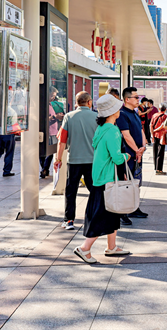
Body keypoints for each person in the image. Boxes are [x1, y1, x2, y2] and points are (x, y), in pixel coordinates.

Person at [73, 94, 131, 264]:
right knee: (102, 215)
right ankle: (84, 248)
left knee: (112, 213)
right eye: (117, 108)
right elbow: (117, 158)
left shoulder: (102, 128)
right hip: (108, 178)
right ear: (112, 112)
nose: (120, 110)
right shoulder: (112, 130)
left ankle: (111, 247)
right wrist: (127, 156)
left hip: (100, 176)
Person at [53, 92, 97, 231]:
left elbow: (62, 141)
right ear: (89, 102)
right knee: (94, 190)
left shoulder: (69, 116)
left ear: (77, 102)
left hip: (74, 160)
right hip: (92, 160)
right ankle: (95, 218)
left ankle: (69, 220)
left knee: (71, 191)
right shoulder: (96, 117)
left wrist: (58, 158)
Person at [116, 87, 149, 225]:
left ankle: (134, 208)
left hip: (137, 155)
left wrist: (143, 146)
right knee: (126, 183)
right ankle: (122, 213)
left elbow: (141, 130)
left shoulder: (135, 113)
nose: (138, 100)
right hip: (128, 155)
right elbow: (126, 135)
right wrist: (137, 150)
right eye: (136, 97)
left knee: (136, 182)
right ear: (127, 99)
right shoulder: (122, 114)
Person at [40, 86, 64, 178]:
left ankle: (44, 169)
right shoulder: (43, 104)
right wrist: (55, 117)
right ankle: (44, 168)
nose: (53, 97)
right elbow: (43, 118)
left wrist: (57, 116)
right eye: (52, 95)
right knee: (48, 152)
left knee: (51, 151)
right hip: (48, 131)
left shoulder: (51, 104)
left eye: (54, 96)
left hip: (53, 131)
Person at [150, 103, 167, 175]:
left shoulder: (154, 115)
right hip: (161, 136)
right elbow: (163, 126)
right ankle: (159, 170)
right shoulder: (165, 116)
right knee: (160, 153)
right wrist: (155, 130)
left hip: (155, 135)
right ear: (165, 109)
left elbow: (151, 125)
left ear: (159, 108)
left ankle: (156, 168)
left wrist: (152, 134)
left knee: (155, 152)